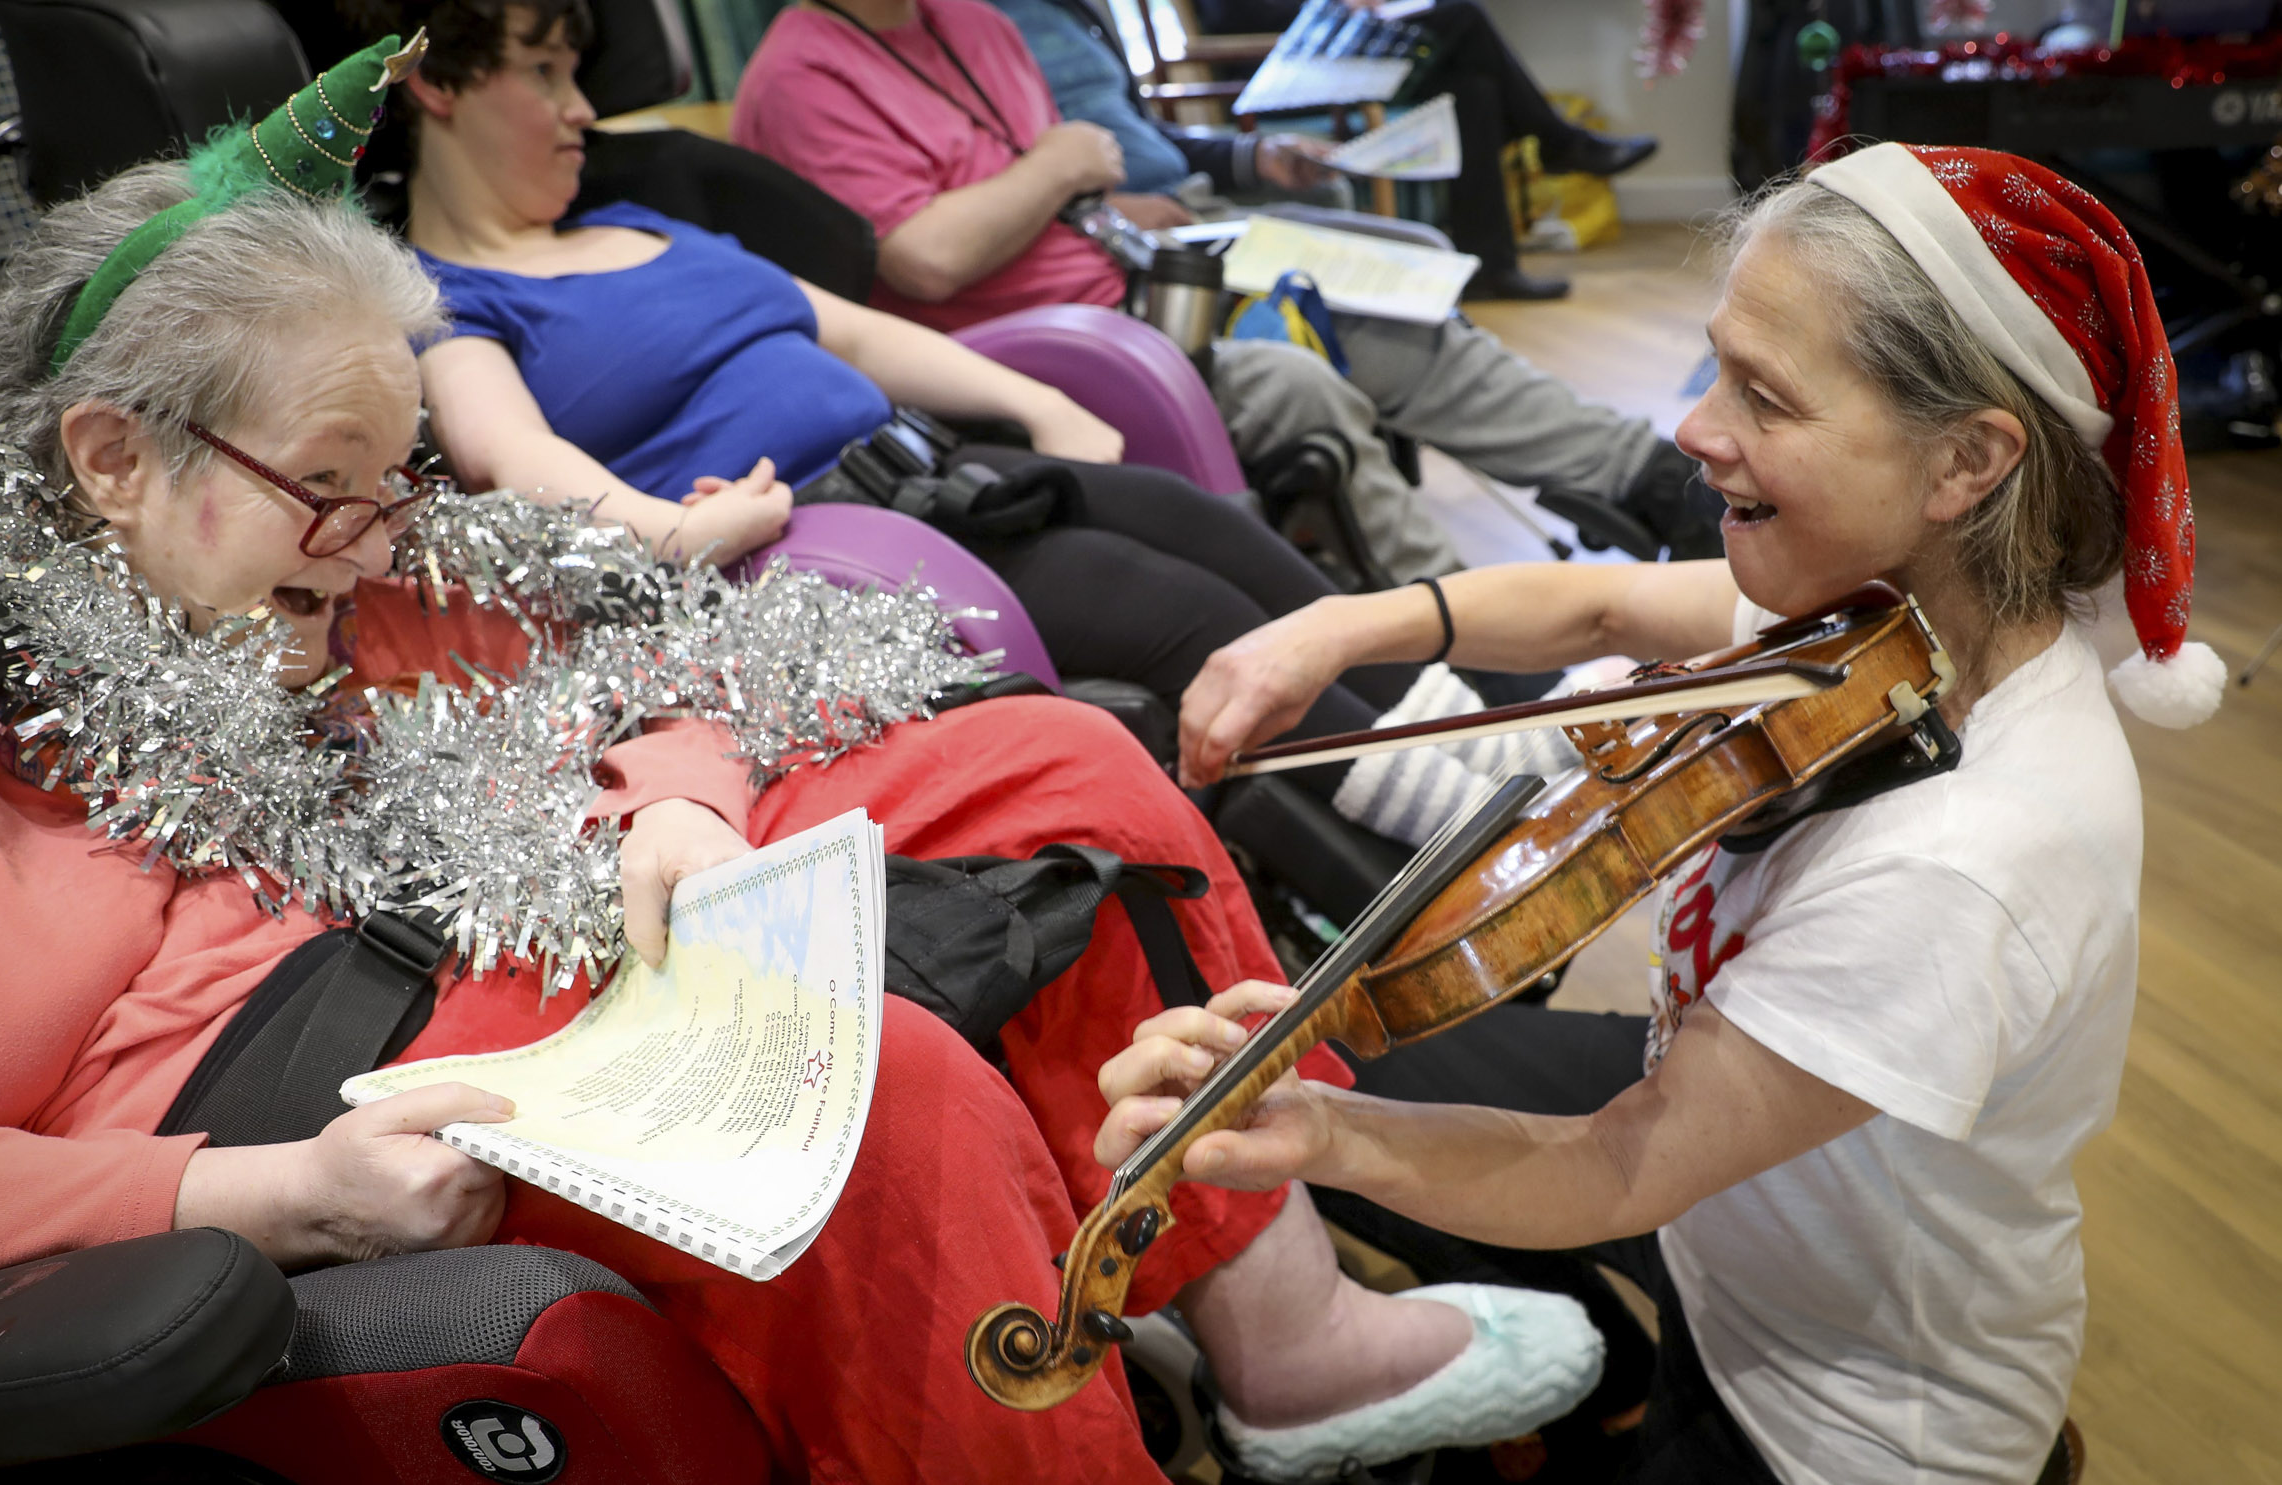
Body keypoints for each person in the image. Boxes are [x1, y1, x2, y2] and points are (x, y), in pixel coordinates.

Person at [0, 39, 1609, 1485]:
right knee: (872, 1101)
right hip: (257, 1067)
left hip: (486, 871)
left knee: (1061, 762)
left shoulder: (349, 557)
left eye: (395, 486)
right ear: (112, 457)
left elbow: (639, 654)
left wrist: (678, 794)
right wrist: (266, 1197)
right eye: (328, 487)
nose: (375, 542)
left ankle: (1281, 1337)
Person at [1097, 143, 2225, 1482]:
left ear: (1967, 461)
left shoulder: (1965, 865)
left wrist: (1329, 1142)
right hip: (1741, 1230)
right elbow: (1603, 603)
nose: (1695, 427)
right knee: (1385, 1060)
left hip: (1834, 1421)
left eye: (1764, 394)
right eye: (1715, 364)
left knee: (1369, 1101)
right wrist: (1344, 625)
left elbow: (1620, 1174)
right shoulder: (1882, 613)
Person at [361, 0, 1574, 830]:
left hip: (929, 471)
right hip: (810, 550)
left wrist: (1039, 401)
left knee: (1210, 531)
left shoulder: (649, 218)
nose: (582, 109)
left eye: (579, 72)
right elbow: (505, 455)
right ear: (432, 82)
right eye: (545, 72)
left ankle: (1476, 741)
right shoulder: (443, 297)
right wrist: (670, 531)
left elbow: (851, 328)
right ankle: (1456, 825)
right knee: (1180, 614)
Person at [729, 0, 1719, 577]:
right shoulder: (800, 75)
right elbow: (928, 260)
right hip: (1038, 351)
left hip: (1133, 291)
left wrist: (1095, 180)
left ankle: (1636, 484)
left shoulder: (977, 23)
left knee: (1393, 280)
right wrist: (1065, 168)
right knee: (1322, 372)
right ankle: (1479, 611)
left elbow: (1098, 173)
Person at [987, 0, 1656, 299]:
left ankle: (1491, 264)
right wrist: (1101, 210)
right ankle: (1558, 144)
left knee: (1471, 88)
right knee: (1460, 17)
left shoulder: (1072, 12)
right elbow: (1003, 171)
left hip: (1194, 177)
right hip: (1267, 71)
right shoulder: (975, 33)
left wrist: (1252, 156)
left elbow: (1143, 131)